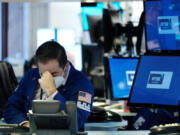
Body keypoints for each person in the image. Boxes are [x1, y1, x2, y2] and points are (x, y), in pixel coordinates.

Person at [3, 40, 94, 131]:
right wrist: (25, 124)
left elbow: (77, 121)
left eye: (54, 74)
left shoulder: (83, 83)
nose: (48, 79)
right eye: (43, 73)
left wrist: (53, 93)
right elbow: (10, 107)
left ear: (66, 66)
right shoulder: (32, 76)